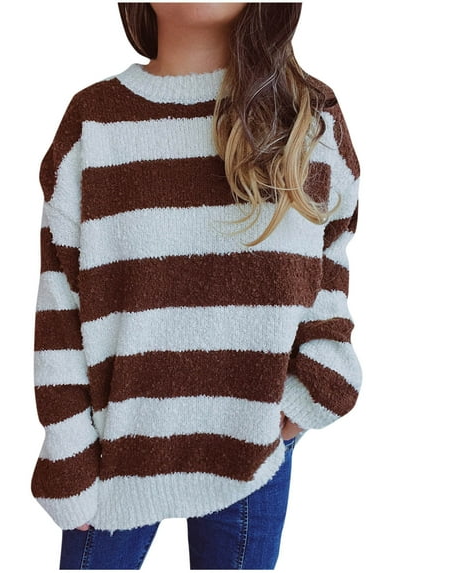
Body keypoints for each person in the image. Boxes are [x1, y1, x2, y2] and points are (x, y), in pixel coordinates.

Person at [31, 2, 362, 569]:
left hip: (252, 449)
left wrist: (321, 375)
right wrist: (67, 453)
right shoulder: (95, 122)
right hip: (111, 461)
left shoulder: (308, 117)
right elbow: (60, 303)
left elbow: (330, 261)